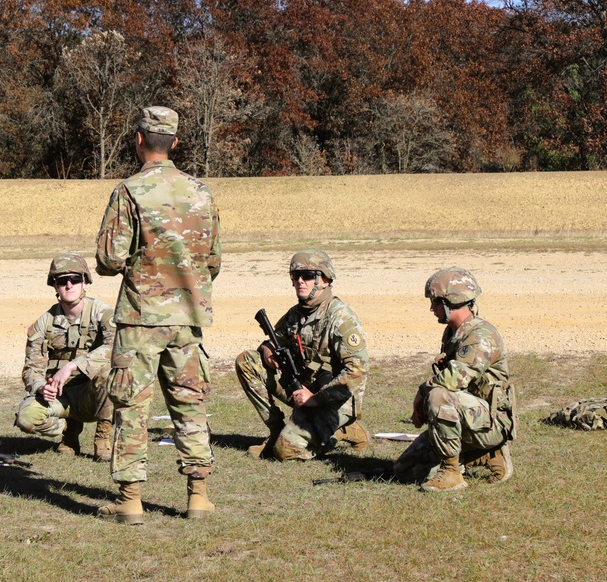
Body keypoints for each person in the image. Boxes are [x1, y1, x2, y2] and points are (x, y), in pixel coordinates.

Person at [95, 106, 221, 524]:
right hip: (188, 318)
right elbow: (214, 262)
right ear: (176, 142)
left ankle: (131, 501)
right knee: (190, 405)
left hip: (141, 319)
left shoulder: (129, 191)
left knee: (132, 406)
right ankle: (198, 496)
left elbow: (109, 259)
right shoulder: (202, 193)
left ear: (138, 139)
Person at [234, 250, 370, 461]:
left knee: (285, 452)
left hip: (333, 400)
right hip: (302, 390)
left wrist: (316, 399)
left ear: (324, 280)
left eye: (307, 276)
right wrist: (268, 351)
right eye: (295, 277)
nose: (300, 281)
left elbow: (356, 373)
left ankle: (343, 430)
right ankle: (276, 431)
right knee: (247, 360)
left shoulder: (341, 318)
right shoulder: (296, 313)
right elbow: (272, 341)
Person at [393, 267, 515, 491]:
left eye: (435, 302)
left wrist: (422, 393)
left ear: (451, 302)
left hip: (491, 423)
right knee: (404, 470)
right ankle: (483, 455)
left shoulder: (481, 335)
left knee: (439, 395)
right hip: (467, 419)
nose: (431, 308)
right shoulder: (452, 332)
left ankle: (452, 472)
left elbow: (453, 380)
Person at [15, 253, 115, 460]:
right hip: (61, 397)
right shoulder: (43, 323)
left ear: (85, 282)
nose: (69, 285)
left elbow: (115, 346)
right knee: (26, 419)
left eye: (75, 279)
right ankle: (66, 432)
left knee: (110, 372)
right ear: (55, 286)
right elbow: (31, 369)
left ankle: (103, 438)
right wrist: (40, 386)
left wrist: (72, 366)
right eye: (62, 281)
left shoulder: (103, 314)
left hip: (93, 395)